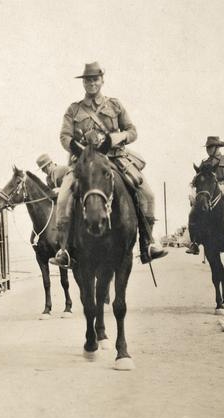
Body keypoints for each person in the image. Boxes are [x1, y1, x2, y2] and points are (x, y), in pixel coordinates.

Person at [52, 62, 167, 267]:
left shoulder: (115, 105)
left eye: (95, 79)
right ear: (83, 83)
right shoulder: (74, 109)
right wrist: (77, 147)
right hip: (84, 160)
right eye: (88, 80)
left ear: (102, 80)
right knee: (63, 198)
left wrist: (118, 137)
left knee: (146, 193)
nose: (91, 83)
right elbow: (64, 136)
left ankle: (147, 243)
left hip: (114, 157)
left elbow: (132, 131)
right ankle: (65, 249)